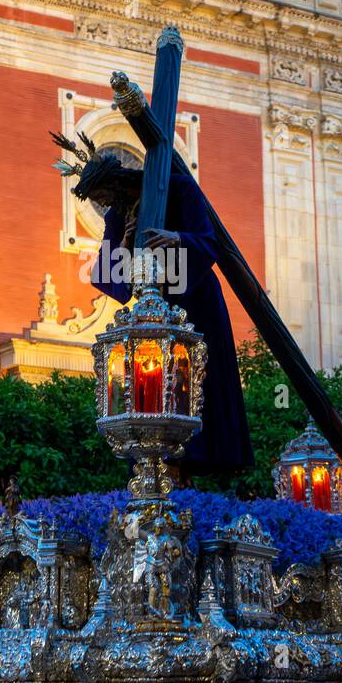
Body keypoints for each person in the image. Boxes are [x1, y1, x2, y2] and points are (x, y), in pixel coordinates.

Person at [53, 137, 253, 484]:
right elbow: (112, 279)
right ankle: (157, 468)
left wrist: (178, 239)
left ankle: (189, 466)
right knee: (154, 389)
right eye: (99, 203)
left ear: (115, 183)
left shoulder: (178, 187)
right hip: (151, 309)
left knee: (195, 383)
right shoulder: (119, 215)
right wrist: (127, 242)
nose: (106, 206)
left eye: (105, 198)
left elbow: (210, 241)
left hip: (194, 301)